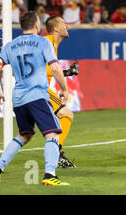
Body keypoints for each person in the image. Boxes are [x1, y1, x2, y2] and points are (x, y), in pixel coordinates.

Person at [0, 11, 70, 186]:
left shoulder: (10, 46)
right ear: (36, 25)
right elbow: (55, 69)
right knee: (53, 134)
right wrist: (64, 88)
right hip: (37, 96)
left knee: (25, 134)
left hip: (18, 99)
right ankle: (49, 175)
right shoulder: (44, 42)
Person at [44, 16, 79, 168]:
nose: (67, 26)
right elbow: (47, 69)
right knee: (66, 115)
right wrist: (64, 78)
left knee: (27, 132)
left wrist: (66, 72)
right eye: (63, 23)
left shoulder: (50, 43)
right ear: (56, 28)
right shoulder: (48, 43)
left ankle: (56, 153)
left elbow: (49, 70)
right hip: (39, 89)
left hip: (39, 88)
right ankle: (57, 153)